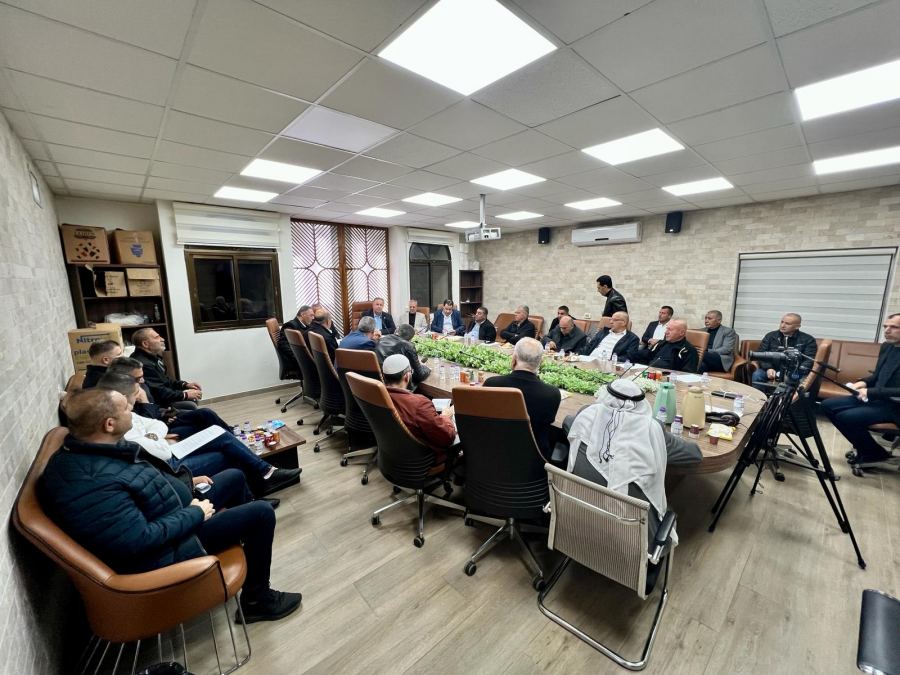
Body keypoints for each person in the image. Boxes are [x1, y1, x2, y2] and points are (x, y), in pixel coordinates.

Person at [40, 388, 302, 623]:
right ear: (109, 424)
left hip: (175, 513)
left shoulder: (95, 450)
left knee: (234, 476)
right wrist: (195, 513)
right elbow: (139, 540)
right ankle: (257, 599)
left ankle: (246, 545)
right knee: (261, 514)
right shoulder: (93, 481)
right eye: (125, 409)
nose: (132, 410)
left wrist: (188, 482)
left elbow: (145, 484)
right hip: (172, 546)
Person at [96, 372, 301, 496]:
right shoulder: (118, 421)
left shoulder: (123, 412)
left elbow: (156, 425)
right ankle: (261, 484)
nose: (139, 394)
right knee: (226, 450)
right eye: (135, 394)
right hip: (170, 465)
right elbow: (161, 449)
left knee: (218, 433)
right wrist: (155, 435)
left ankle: (266, 475)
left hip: (167, 449)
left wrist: (153, 435)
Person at [566, 379, 701, 545]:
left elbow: (568, 422)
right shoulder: (651, 431)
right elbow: (695, 455)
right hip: (631, 543)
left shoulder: (584, 418)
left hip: (578, 525)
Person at [822, 313, 900, 466]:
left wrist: (870, 391)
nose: (887, 330)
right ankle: (871, 450)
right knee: (827, 405)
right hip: (877, 398)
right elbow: (878, 375)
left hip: (895, 406)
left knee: (847, 417)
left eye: (894, 327)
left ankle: (872, 453)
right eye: (885, 326)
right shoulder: (887, 347)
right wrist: (862, 383)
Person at [483, 338, 561, 460]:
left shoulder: (491, 384)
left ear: (513, 359)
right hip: (532, 463)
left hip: (490, 456)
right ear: (541, 362)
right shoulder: (551, 394)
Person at [382, 354, 457, 460]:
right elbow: (447, 438)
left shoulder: (377, 395)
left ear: (383, 376)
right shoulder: (419, 404)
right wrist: (445, 416)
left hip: (391, 455)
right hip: (421, 459)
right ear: (407, 376)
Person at [132, 328, 201, 408]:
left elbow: (165, 380)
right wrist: (185, 395)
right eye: (157, 337)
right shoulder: (143, 364)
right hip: (158, 404)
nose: (162, 339)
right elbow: (159, 392)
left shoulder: (151, 358)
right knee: (191, 405)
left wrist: (185, 385)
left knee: (192, 400)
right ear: (145, 344)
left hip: (163, 397)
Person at [750, 313, 817, 390]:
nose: (782, 325)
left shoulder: (808, 339)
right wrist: (768, 368)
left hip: (795, 371)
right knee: (757, 375)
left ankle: (788, 398)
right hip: (773, 368)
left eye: (787, 324)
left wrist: (797, 372)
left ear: (797, 326)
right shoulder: (771, 336)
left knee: (801, 382)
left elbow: (809, 360)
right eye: (782, 322)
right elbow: (761, 353)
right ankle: (760, 397)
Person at [633, 319, 699, 372]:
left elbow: (687, 374)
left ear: (681, 333)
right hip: (650, 373)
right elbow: (647, 355)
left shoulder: (689, 351)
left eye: (670, 330)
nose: (666, 332)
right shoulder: (662, 343)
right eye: (667, 329)